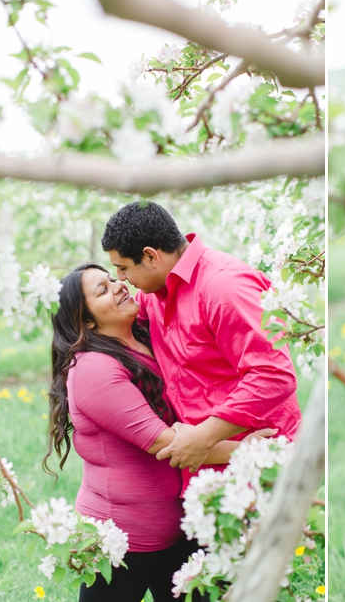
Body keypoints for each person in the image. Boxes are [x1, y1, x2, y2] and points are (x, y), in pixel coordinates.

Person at [44, 263, 273, 602]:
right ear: (87, 321)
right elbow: (168, 445)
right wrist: (246, 448)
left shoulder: (143, 334)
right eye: (102, 290)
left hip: (178, 531)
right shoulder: (93, 369)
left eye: (112, 278)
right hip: (121, 543)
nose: (118, 285)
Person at [100, 201, 301, 491]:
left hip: (262, 463)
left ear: (150, 256)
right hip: (206, 473)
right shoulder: (152, 295)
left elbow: (274, 375)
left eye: (122, 268)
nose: (120, 279)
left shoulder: (223, 287)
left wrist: (203, 437)